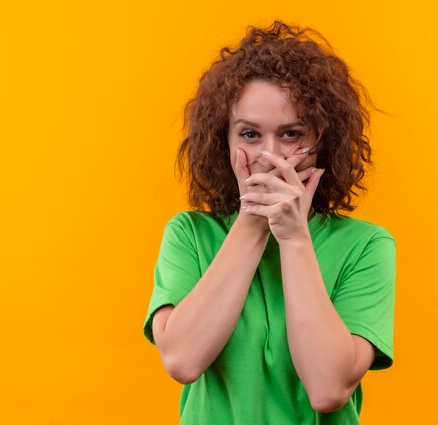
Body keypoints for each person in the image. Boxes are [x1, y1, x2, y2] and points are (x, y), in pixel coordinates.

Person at [142, 20, 396, 424]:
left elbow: (328, 389)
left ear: (323, 142)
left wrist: (294, 238)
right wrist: (254, 219)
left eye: (291, 134)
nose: (269, 155)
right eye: (249, 134)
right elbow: (182, 361)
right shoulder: (189, 235)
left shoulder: (366, 246)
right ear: (223, 140)